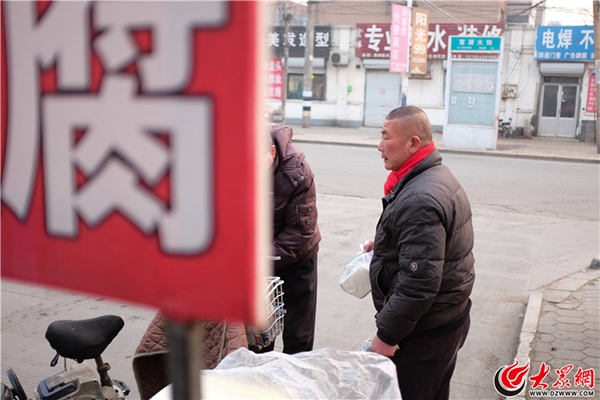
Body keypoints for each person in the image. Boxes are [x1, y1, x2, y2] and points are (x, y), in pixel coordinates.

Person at [363, 106, 475, 400]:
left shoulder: (420, 196)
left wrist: (386, 336)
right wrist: (388, 244)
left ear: (413, 143)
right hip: (447, 318)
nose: (379, 146)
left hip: (426, 331)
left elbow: (419, 283)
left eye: (386, 136)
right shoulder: (434, 174)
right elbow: (432, 248)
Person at [264, 124, 321, 354]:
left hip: (297, 259)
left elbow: (299, 232)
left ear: (272, 152)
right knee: (258, 336)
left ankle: (296, 374)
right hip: (257, 259)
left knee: (298, 337)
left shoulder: (296, 172)